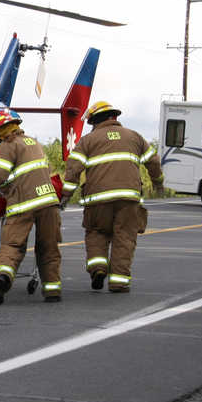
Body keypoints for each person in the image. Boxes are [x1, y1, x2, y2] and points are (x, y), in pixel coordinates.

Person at [61, 101, 163, 294]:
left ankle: (98, 269)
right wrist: (158, 182)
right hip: (128, 199)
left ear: (93, 121)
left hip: (97, 200)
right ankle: (118, 282)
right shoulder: (135, 137)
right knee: (124, 238)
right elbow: (154, 160)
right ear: (114, 117)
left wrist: (66, 194)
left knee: (96, 233)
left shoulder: (87, 141)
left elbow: (73, 168)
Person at [0, 110, 63, 305]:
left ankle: (3, 279)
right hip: (48, 201)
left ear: (0, 131)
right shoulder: (33, 142)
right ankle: (52, 291)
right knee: (48, 247)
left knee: (12, 245)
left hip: (23, 203)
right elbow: (30, 174)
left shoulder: (9, 145)